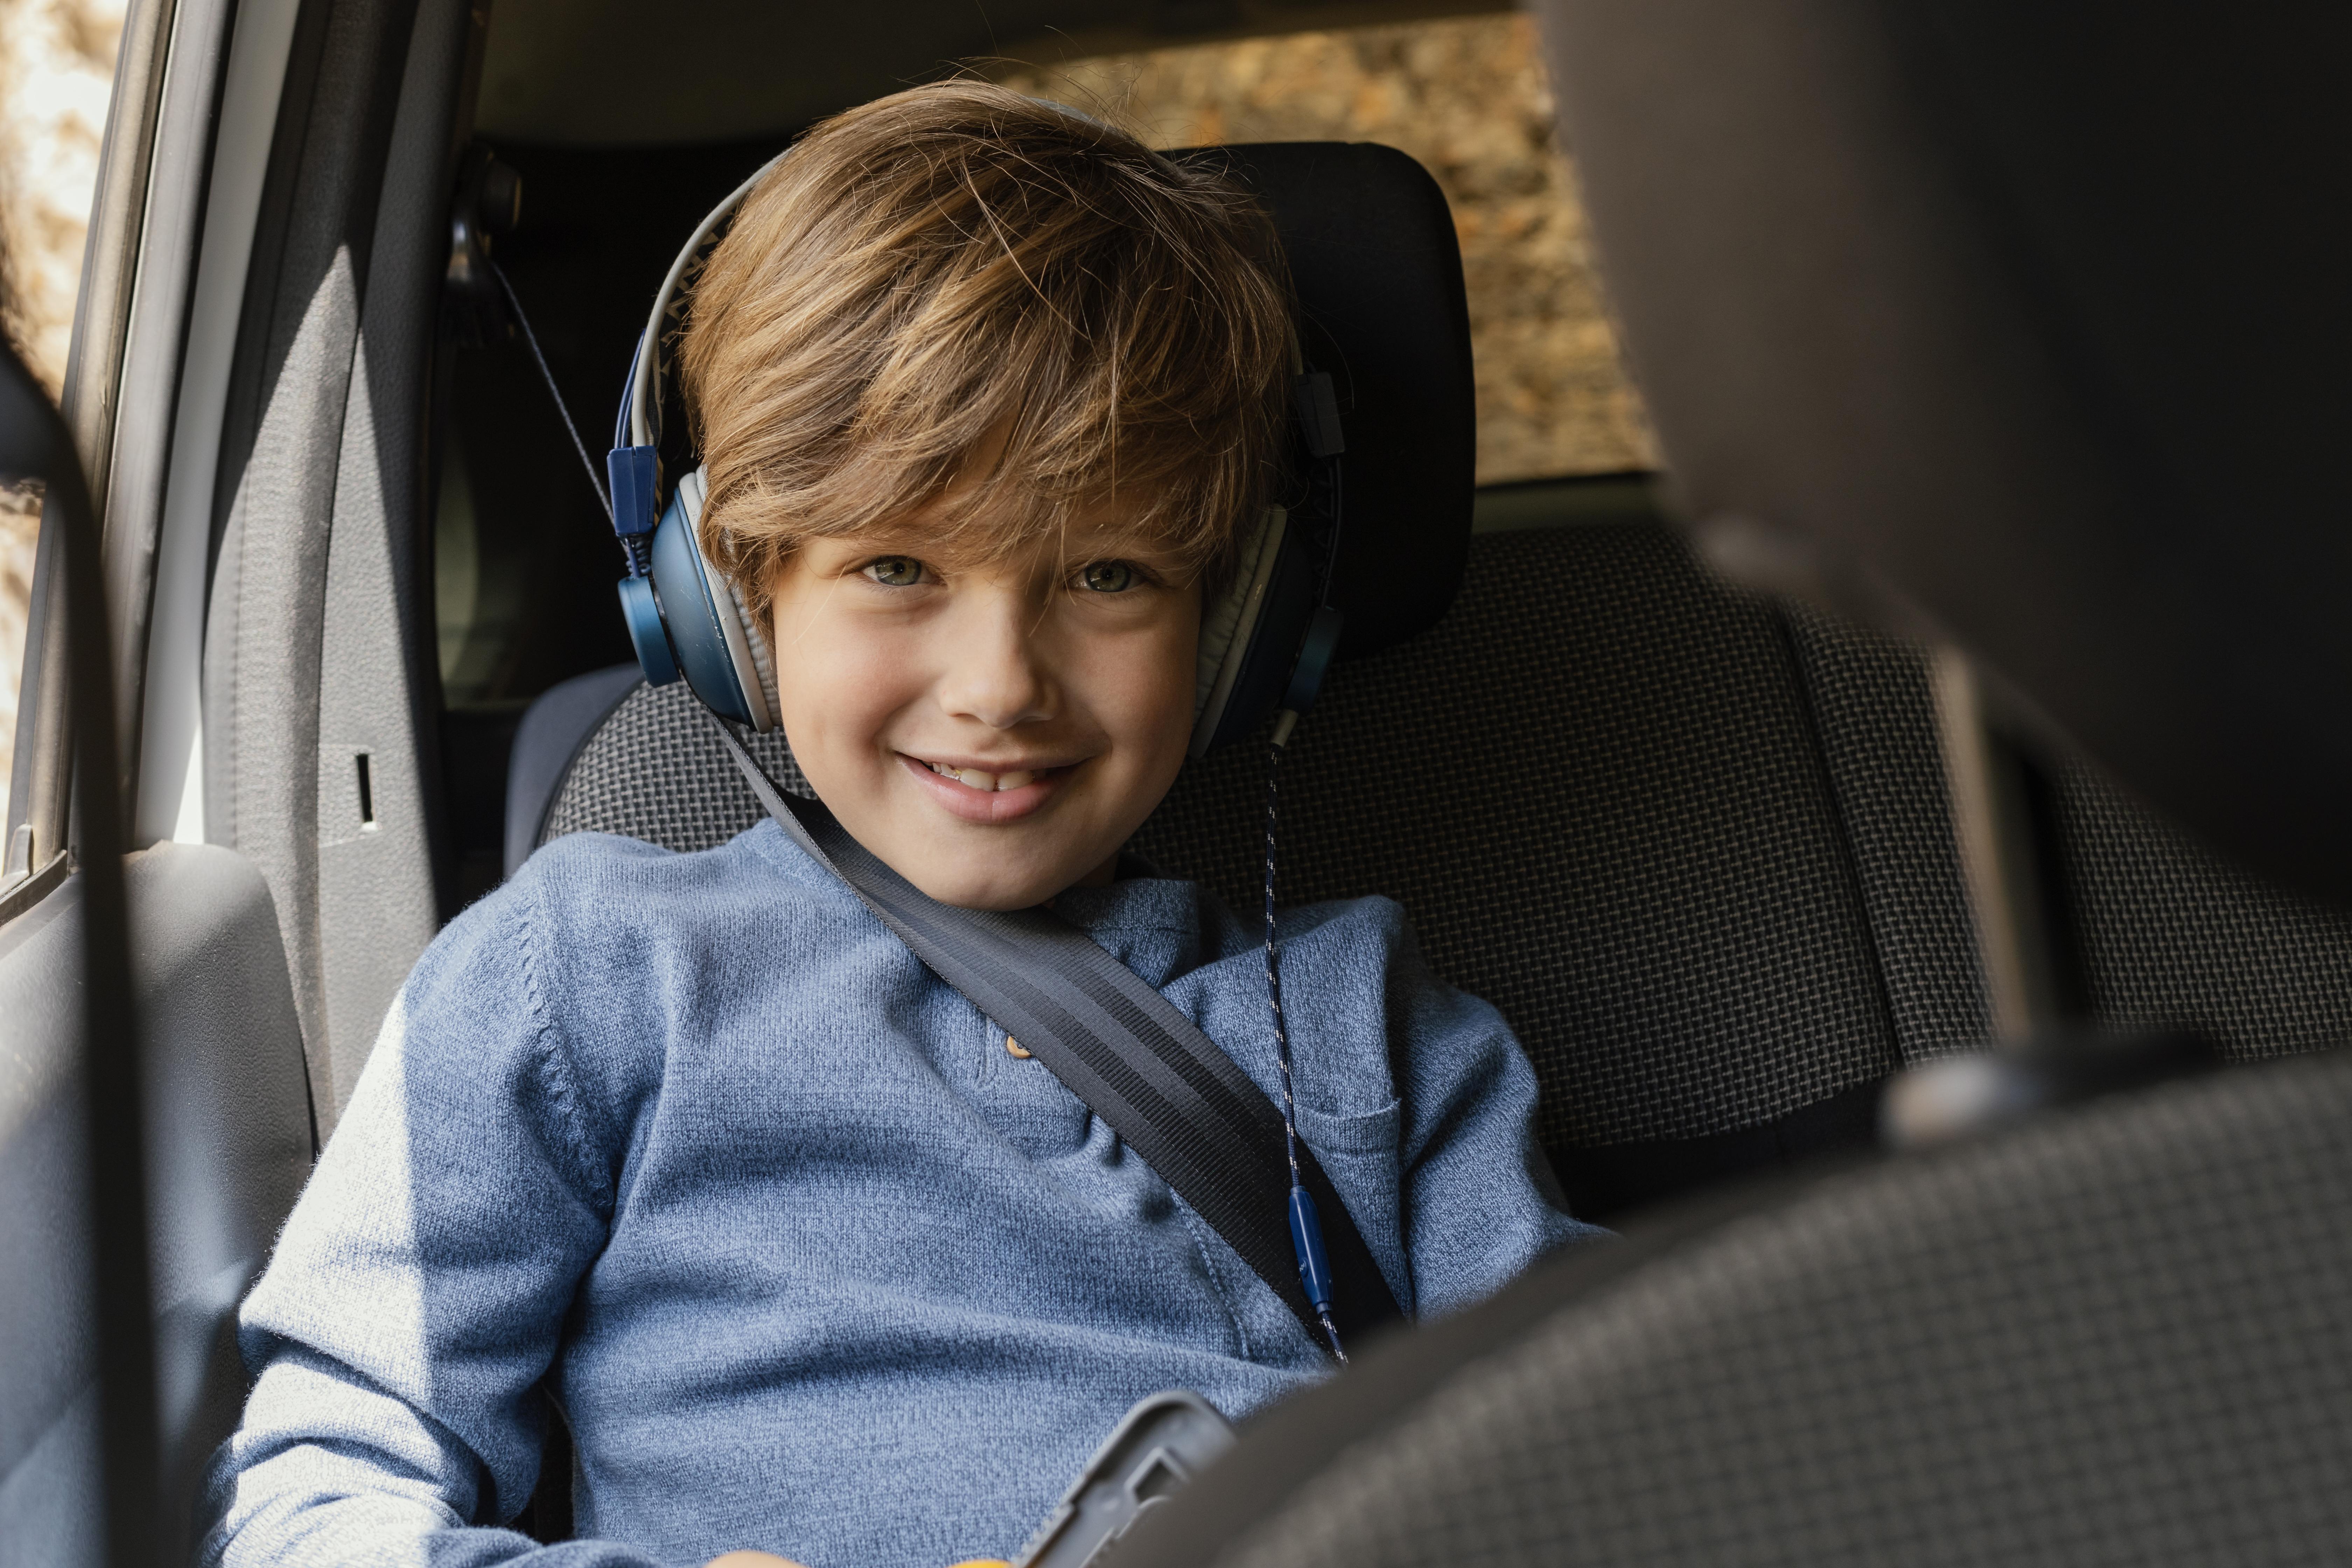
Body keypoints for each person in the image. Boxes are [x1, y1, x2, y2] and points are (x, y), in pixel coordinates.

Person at [201, 82, 1601, 1568]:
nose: (999, 686)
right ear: (731, 599)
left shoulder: (1367, 1023)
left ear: (1244, 623)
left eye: (1110, 574)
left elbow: (1638, 1452)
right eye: (894, 566)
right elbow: (317, 1498)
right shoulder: (584, 977)